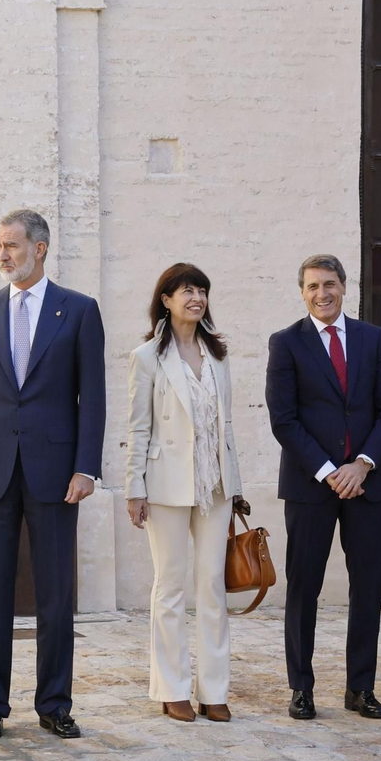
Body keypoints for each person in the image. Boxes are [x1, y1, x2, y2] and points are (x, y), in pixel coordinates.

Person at [0, 208, 105, 742]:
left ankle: (54, 703)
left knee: (56, 594)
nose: (2, 255)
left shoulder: (80, 311)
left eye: (11, 246)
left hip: (57, 472)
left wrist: (87, 466)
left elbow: (94, 398)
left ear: (40, 248)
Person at [265, 254, 381, 721]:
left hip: (364, 484)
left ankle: (360, 689)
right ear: (302, 293)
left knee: (368, 588)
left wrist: (361, 465)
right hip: (310, 485)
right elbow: (284, 420)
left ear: (345, 286)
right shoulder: (286, 344)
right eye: (312, 287)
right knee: (304, 587)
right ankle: (301, 687)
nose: (322, 293)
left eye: (329, 284)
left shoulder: (372, 339)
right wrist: (328, 470)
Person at [124, 264, 244, 723]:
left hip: (214, 485)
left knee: (212, 586)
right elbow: (138, 427)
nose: (196, 297)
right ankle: (172, 687)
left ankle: (214, 690)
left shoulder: (218, 353)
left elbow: (225, 425)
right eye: (186, 290)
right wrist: (135, 488)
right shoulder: (147, 356)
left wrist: (235, 486)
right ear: (167, 300)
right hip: (167, 485)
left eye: (202, 290)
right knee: (170, 586)